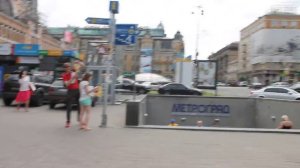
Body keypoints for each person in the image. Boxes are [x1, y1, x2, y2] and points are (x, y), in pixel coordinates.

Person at [62, 62, 83, 128]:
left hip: (77, 90)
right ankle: (68, 122)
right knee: (69, 106)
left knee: (79, 105)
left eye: (68, 67)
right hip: (70, 91)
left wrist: (78, 63)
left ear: (70, 67)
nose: (68, 68)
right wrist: (72, 78)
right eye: (66, 67)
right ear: (64, 68)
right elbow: (67, 84)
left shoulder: (74, 71)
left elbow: (82, 66)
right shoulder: (64, 75)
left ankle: (79, 119)